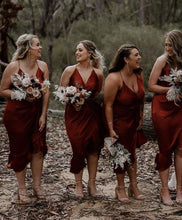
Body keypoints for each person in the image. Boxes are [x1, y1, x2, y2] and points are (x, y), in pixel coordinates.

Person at [0, 34, 50, 203]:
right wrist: (21, 94)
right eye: (37, 45)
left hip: (37, 114)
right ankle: (22, 188)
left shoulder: (43, 66)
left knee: (38, 149)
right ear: (28, 49)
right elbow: (2, 90)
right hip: (17, 115)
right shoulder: (13, 67)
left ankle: (37, 186)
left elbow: (46, 91)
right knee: (19, 150)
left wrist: (43, 114)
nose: (40, 47)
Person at [148, 30, 182, 205]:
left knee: (181, 148)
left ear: (178, 46)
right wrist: (171, 90)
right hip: (162, 107)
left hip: (180, 108)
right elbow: (151, 85)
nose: (167, 48)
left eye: (170, 45)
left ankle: (180, 188)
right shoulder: (162, 61)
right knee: (165, 149)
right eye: (166, 45)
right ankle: (164, 190)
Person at [60, 40, 104, 197]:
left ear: (90, 53)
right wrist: (73, 101)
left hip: (92, 114)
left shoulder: (98, 73)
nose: (77, 53)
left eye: (80, 50)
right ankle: (79, 185)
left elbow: (97, 93)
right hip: (74, 115)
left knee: (93, 149)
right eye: (76, 50)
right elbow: (61, 93)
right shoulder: (69, 70)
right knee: (78, 148)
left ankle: (92, 184)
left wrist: (85, 101)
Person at [104, 44, 146, 203]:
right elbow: (107, 104)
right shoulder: (114, 78)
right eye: (136, 55)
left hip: (134, 121)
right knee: (120, 155)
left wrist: (141, 117)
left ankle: (133, 186)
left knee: (132, 154)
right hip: (118, 122)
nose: (139, 58)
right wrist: (110, 128)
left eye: (139, 54)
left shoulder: (139, 75)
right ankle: (120, 187)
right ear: (126, 59)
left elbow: (141, 98)